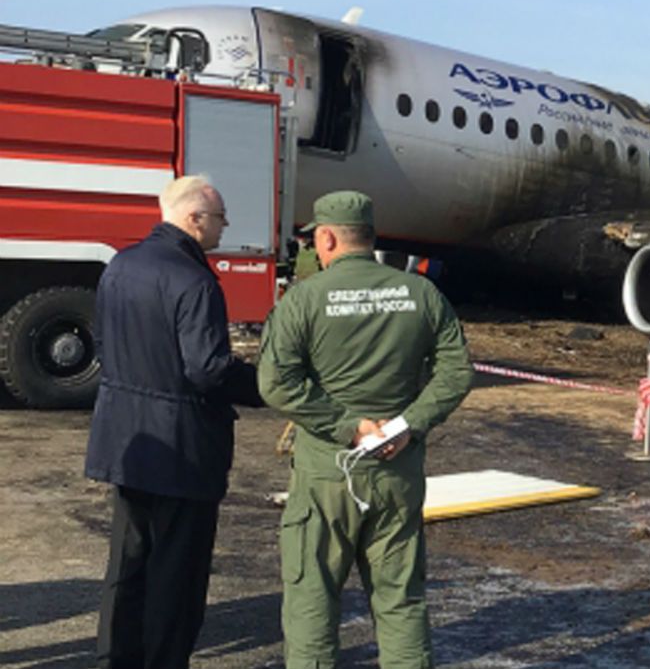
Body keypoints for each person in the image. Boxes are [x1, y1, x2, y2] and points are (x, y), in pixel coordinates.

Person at [258, 191, 473, 668]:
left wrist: (348, 428)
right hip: (398, 471)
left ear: (327, 236)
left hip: (325, 476)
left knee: (312, 600)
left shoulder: (304, 299)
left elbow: (275, 382)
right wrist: (407, 425)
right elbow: (457, 372)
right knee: (401, 600)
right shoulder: (420, 294)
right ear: (371, 236)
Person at [85, 174, 260, 669]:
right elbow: (207, 370)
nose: (224, 227)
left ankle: (116, 658)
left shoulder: (120, 265)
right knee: (176, 572)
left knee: (128, 560)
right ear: (194, 218)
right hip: (183, 447)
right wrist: (264, 385)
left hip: (125, 440)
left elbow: (104, 344)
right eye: (221, 218)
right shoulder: (195, 279)